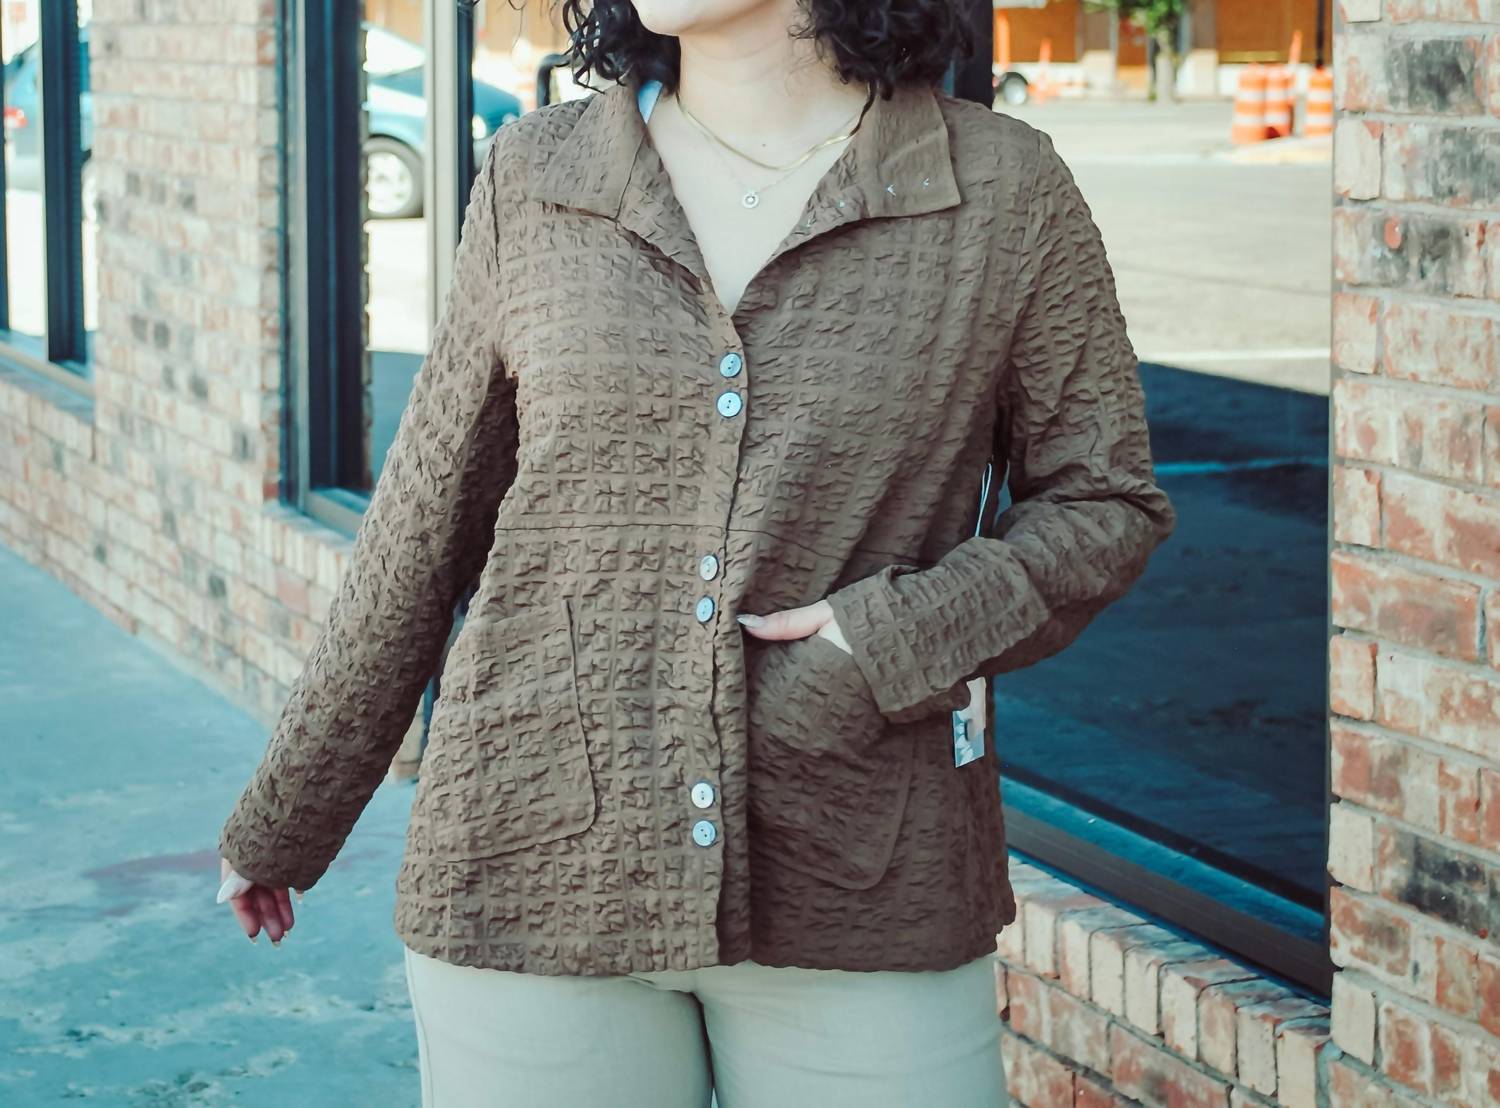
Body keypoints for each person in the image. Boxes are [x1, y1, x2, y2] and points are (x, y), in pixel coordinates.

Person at [214, 0, 1177, 1104]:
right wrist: (289, 811)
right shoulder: (538, 174)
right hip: (532, 855)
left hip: (861, 869)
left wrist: (887, 638)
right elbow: (424, 519)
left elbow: (1104, 502)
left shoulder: (999, 186)